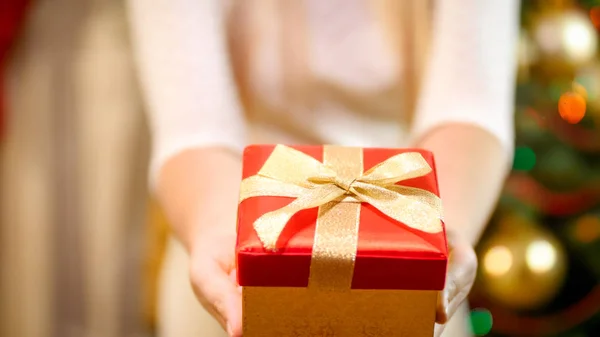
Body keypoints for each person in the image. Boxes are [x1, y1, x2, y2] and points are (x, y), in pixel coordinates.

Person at [127, 0, 520, 336]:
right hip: (229, 239)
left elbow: (470, 105)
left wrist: (440, 234)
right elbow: (194, 126)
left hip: (411, 233)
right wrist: (217, 230)